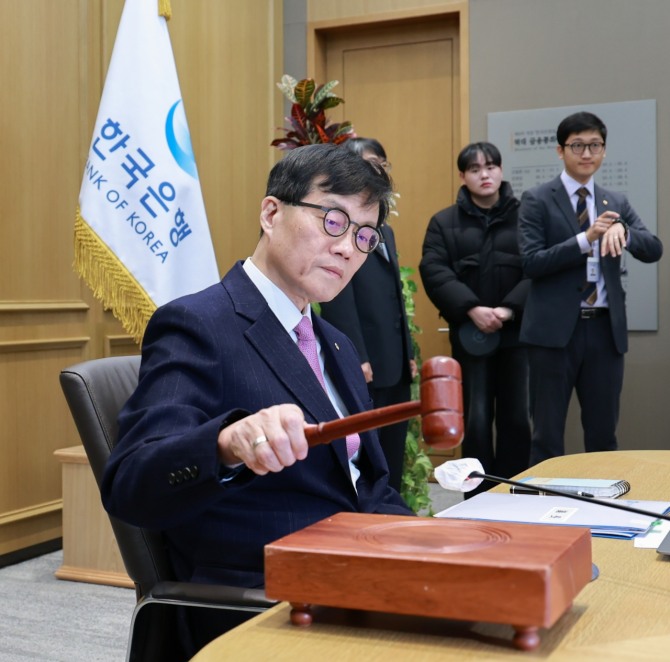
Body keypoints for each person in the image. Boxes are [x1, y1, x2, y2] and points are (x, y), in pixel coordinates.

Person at [101, 144, 413, 603]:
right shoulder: (198, 324)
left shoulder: (340, 346)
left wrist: (433, 546)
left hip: (360, 565)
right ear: (271, 213)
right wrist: (224, 444)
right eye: (333, 220)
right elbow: (132, 483)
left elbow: (366, 485)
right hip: (265, 593)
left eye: (366, 235)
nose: (348, 248)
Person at [518, 111, 663, 464]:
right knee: (546, 432)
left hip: (603, 329)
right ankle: (543, 510)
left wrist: (625, 233)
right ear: (560, 150)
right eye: (578, 145)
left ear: (604, 150)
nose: (587, 154)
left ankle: (601, 509)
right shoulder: (537, 198)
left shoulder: (615, 201)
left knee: (602, 432)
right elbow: (531, 262)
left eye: (595, 145)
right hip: (552, 334)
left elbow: (653, 248)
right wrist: (586, 238)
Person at [420, 142, 530, 494]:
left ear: (500, 170)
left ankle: (515, 493)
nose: (484, 174)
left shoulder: (527, 215)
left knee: (517, 418)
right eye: (474, 169)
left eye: (491, 166)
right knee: (476, 419)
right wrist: (472, 308)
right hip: (471, 337)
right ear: (462, 176)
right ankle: (479, 496)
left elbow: (540, 269)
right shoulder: (443, 222)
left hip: (517, 335)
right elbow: (434, 270)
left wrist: (509, 308)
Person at [319, 137, 416, 491]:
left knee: (394, 444)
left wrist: (409, 353)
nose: (378, 170)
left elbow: (394, 297)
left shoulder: (383, 229)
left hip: (393, 359)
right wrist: (355, 354)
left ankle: (391, 514)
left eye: (382, 163)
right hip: (365, 357)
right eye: (369, 162)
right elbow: (338, 297)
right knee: (370, 451)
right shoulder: (340, 226)